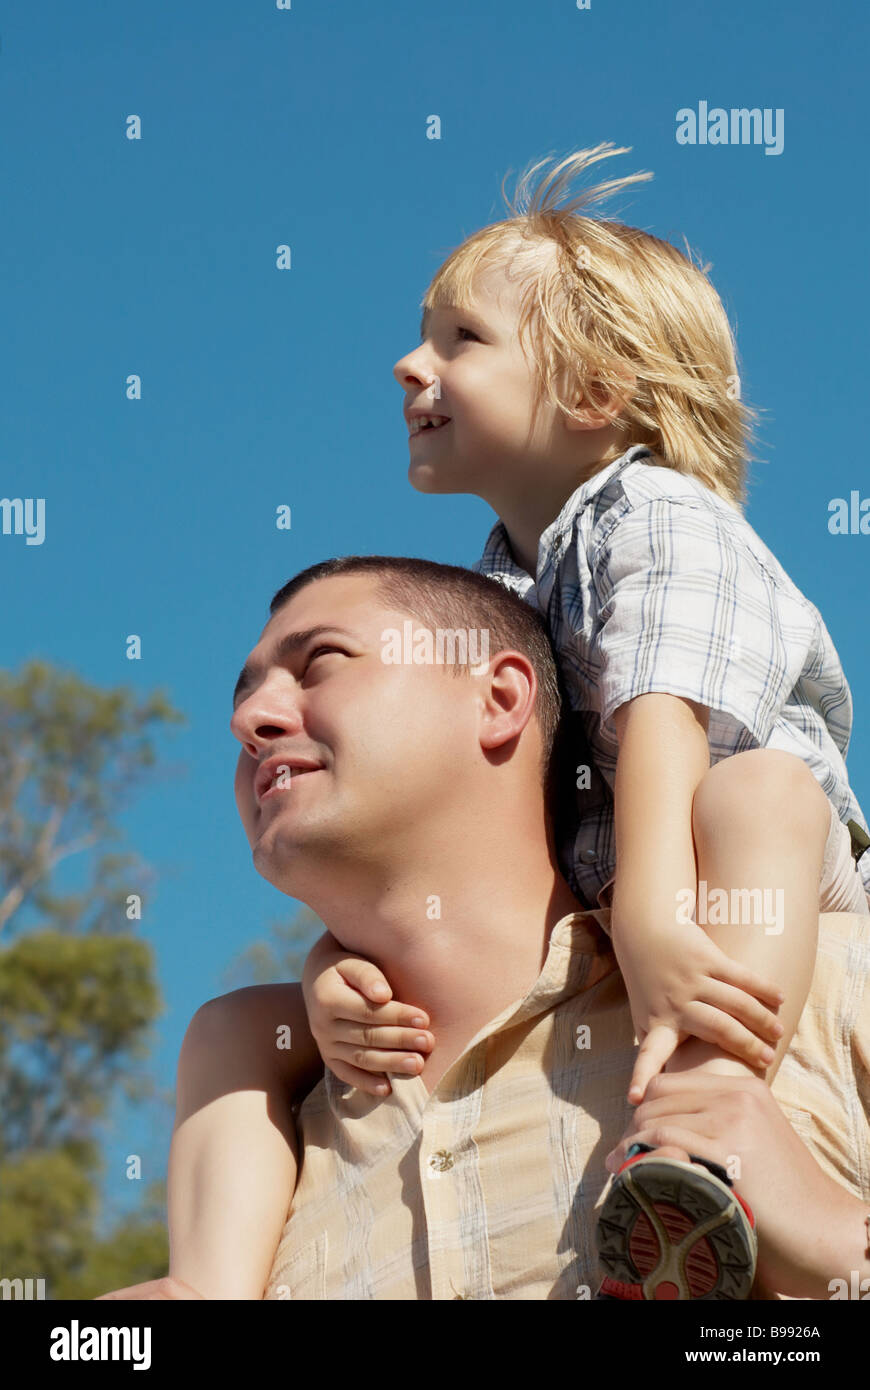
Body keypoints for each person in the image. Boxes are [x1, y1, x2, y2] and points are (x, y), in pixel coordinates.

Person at [301, 143, 870, 1297]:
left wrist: (658, 919)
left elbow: (662, 720)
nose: (410, 363)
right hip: (627, 898)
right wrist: (336, 965)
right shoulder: (503, 583)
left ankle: (713, 1129)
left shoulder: (661, 514)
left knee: (752, 791)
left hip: (754, 875)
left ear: (596, 392)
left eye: (461, 337)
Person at [99, 558, 870, 1302]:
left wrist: (842, 1248)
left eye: (321, 661)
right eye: (245, 697)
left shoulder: (830, 986)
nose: (247, 721)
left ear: (499, 698)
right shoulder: (261, 1148)